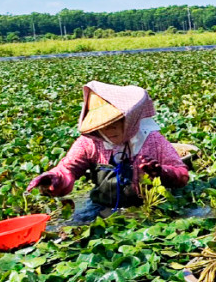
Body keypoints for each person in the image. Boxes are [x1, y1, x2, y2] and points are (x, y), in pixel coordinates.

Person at [26, 81, 189, 219]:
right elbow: (69, 168)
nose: (109, 130)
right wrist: (55, 178)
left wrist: (161, 172)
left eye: (115, 122)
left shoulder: (151, 139)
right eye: (103, 126)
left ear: (129, 119)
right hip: (102, 206)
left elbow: (181, 174)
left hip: (149, 206)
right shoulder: (89, 143)